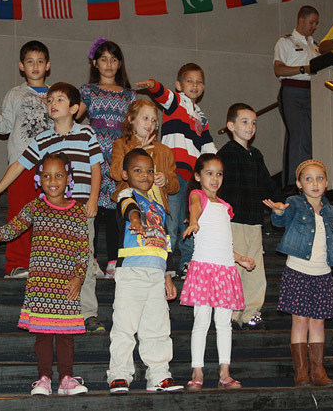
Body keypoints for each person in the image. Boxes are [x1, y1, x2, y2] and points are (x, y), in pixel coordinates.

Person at [0, 152, 90, 396]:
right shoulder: (35, 207)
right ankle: (44, 379)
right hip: (41, 287)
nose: (52, 180)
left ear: (68, 178)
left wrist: (79, 277)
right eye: (46, 175)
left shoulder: (78, 212)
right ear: (39, 179)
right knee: (43, 336)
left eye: (59, 175)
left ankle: (67, 378)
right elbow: (11, 229)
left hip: (67, 286)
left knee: (67, 336)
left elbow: (83, 249)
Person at [0, 82, 106, 333]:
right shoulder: (43, 138)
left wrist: (93, 198)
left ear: (73, 108)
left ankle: (88, 313)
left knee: (84, 261)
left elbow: (96, 167)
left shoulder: (86, 134)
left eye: (59, 100)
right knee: (56, 264)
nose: (52, 104)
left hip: (81, 211)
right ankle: (60, 311)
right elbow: (19, 164)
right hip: (53, 215)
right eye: (50, 100)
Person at [262, 160, 333, 387]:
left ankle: (318, 371)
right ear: (299, 184)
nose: (315, 183)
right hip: (298, 271)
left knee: (318, 323)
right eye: (308, 179)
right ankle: (301, 372)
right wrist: (278, 212)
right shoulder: (294, 204)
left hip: (323, 274)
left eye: (319, 178)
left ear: (326, 183)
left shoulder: (332, 212)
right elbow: (281, 221)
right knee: (300, 321)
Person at [0, 40, 53, 279]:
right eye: (30, 62)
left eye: (40, 61)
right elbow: (3, 125)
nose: (35, 66)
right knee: (20, 213)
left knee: (49, 215)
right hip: (22, 164)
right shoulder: (15, 94)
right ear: (21, 66)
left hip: (51, 165)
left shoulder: (56, 94)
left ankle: (45, 264)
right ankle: (16, 264)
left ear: (47, 65)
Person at [107, 148, 183, 394]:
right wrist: (136, 219)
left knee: (158, 327)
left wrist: (168, 276)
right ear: (125, 174)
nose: (145, 175)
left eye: (150, 170)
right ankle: (119, 374)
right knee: (124, 325)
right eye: (138, 170)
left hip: (155, 275)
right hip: (131, 273)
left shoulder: (158, 208)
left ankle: (159, 374)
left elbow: (165, 244)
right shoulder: (126, 195)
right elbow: (128, 207)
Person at [180, 153, 256, 391]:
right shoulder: (197, 196)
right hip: (204, 268)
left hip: (225, 270)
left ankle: (225, 371)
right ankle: (197, 369)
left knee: (224, 323)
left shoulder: (225, 207)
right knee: (201, 321)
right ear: (198, 176)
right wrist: (193, 222)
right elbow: (194, 207)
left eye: (219, 174)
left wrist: (240, 258)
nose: (215, 179)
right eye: (209, 173)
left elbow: (225, 243)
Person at [136, 63, 217, 278]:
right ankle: (167, 264)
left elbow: (208, 148)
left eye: (199, 82)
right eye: (189, 81)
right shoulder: (177, 102)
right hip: (173, 175)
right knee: (171, 221)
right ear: (179, 85)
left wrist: (216, 167)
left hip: (193, 179)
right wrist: (153, 85)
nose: (195, 85)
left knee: (189, 221)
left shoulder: (201, 117)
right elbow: (164, 95)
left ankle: (187, 263)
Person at [218, 103, 282, 331]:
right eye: (245, 122)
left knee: (255, 269)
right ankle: (232, 313)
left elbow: (267, 182)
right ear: (230, 126)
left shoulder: (256, 155)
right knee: (235, 267)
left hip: (254, 221)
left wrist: (278, 201)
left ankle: (251, 312)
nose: (250, 126)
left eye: (254, 122)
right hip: (233, 221)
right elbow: (217, 185)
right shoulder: (225, 154)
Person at [78, 38, 137, 278]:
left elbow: (135, 126)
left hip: (119, 156)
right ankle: (90, 260)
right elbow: (74, 116)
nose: (109, 64)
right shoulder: (87, 90)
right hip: (94, 155)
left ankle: (114, 259)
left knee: (116, 210)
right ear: (95, 63)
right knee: (94, 212)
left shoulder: (130, 95)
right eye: (103, 59)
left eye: (113, 59)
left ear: (120, 63)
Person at [110, 99, 180, 243]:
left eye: (154, 120)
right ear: (131, 119)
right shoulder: (121, 144)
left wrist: (166, 179)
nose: (150, 123)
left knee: (159, 243)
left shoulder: (164, 151)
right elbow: (116, 173)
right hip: (132, 206)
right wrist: (137, 151)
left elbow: (175, 186)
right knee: (131, 242)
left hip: (157, 209)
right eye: (145, 118)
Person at [274, 6, 320, 193]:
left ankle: (306, 177)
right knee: (296, 135)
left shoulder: (314, 45)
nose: (314, 26)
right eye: (312, 22)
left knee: (309, 137)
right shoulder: (285, 42)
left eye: (316, 23)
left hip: (312, 92)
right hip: (292, 90)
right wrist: (303, 69)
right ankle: (291, 181)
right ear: (301, 20)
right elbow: (278, 69)